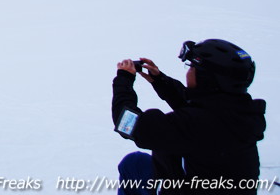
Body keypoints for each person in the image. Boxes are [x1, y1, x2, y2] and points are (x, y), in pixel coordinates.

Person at [112, 39, 266, 195]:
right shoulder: (241, 112)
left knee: (132, 165)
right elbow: (198, 104)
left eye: (192, 67)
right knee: (138, 163)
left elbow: (126, 121)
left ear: (206, 78)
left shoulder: (192, 125)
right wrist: (160, 80)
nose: (188, 71)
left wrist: (124, 79)